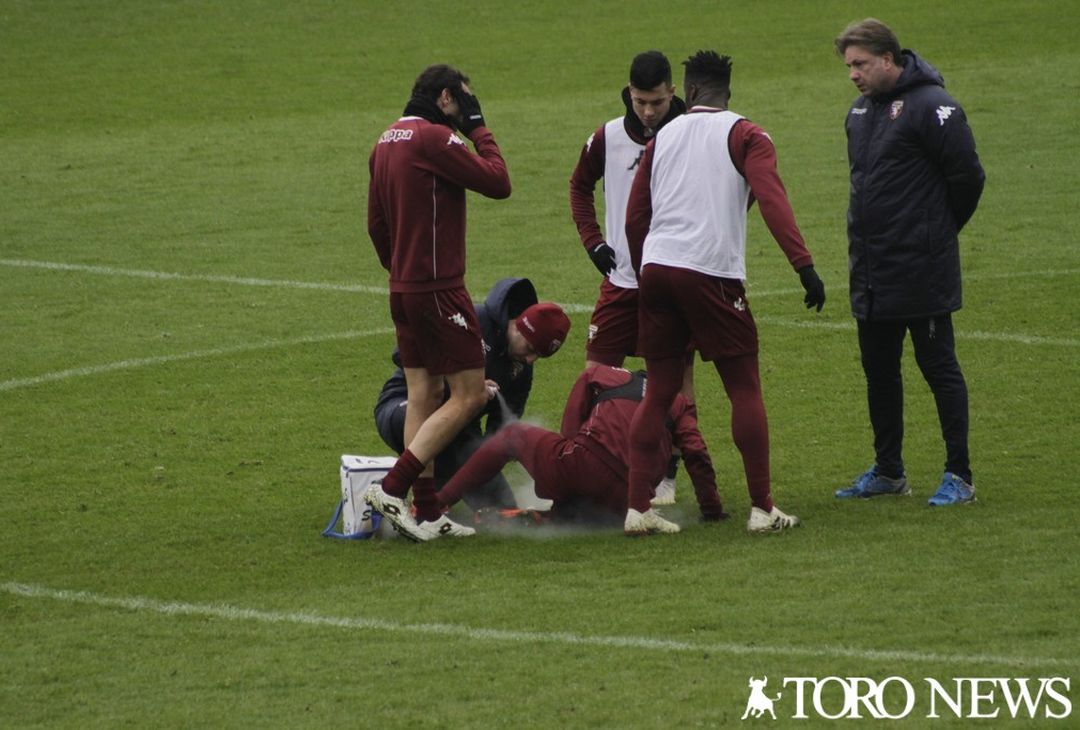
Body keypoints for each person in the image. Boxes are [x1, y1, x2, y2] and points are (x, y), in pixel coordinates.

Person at [623, 50, 827, 535]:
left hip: (656, 268)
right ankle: (762, 508)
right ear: (727, 93)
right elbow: (772, 200)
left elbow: (635, 216)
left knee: (659, 392)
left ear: (689, 91)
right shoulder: (747, 134)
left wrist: (644, 270)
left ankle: (637, 508)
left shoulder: (662, 136)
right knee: (743, 387)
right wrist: (804, 266)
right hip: (710, 272)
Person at [832, 19, 985, 505]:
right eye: (848, 66)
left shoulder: (934, 106)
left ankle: (959, 475)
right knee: (879, 371)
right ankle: (888, 471)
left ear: (888, 58)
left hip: (922, 268)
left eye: (860, 64)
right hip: (872, 270)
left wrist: (935, 232)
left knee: (938, 368)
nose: (853, 74)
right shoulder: (860, 112)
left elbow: (968, 179)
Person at [365, 64, 511, 541]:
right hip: (438, 289)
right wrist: (478, 127)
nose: (465, 110)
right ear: (446, 98)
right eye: (464, 100)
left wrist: (400, 270)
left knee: (424, 394)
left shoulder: (384, 140)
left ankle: (426, 511)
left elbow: (375, 225)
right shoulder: (433, 138)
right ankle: (393, 488)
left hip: (403, 288)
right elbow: (498, 181)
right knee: (469, 394)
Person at [569, 50, 689, 506]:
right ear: (629, 94)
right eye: (640, 101)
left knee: (676, 380)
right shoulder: (608, 137)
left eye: (657, 102)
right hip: (621, 282)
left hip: (673, 281)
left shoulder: (690, 134)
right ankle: (585, 469)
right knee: (593, 375)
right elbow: (579, 187)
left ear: (672, 92)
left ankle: (668, 477)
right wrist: (593, 241)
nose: (648, 111)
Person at [434, 365, 728, 530]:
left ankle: (438, 502)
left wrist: (569, 448)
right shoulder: (679, 403)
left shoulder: (608, 375)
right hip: (627, 499)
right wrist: (711, 509)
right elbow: (696, 453)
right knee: (591, 506)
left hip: (582, 465)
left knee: (512, 435)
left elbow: (579, 400)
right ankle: (556, 517)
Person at [373, 278, 570, 511]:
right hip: (405, 405)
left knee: (502, 508)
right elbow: (402, 354)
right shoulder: (468, 322)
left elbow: (500, 435)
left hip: (461, 432)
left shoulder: (521, 368)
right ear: (518, 326)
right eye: (530, 349)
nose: (530, 360)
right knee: (445, 441)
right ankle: (407, 496)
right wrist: (465, 384)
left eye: (539, 356)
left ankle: (431, 498)